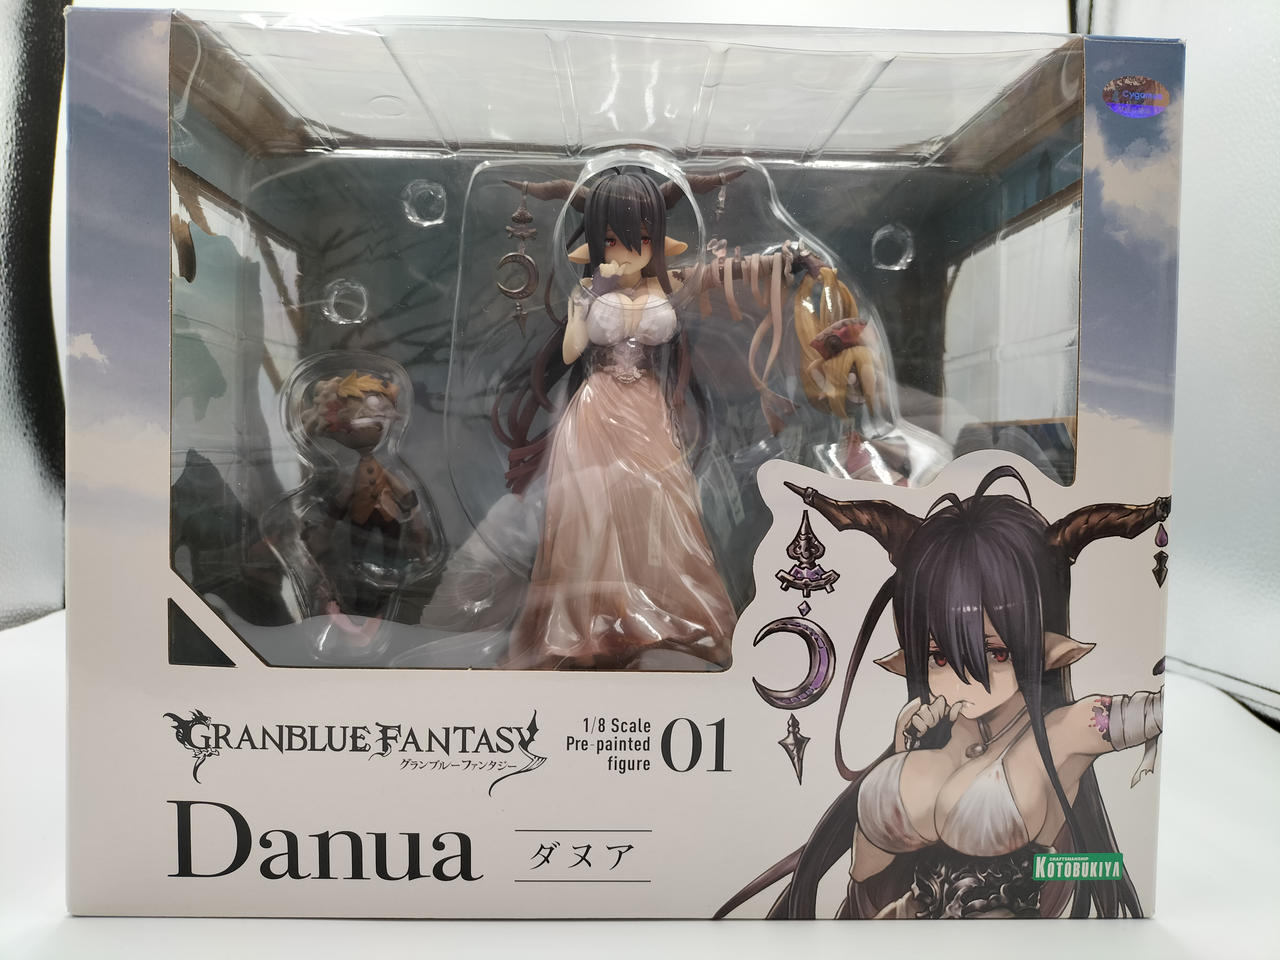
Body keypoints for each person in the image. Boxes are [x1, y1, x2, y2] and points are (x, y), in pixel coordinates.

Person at [719, 465, 1169, 918]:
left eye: (994, 652)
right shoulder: (934, 729)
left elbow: (1154, 715)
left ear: (1046, 647)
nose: (962, 678)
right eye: (938, 656)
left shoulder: (1067, 731)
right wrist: (904, 757)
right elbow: (864, 871)